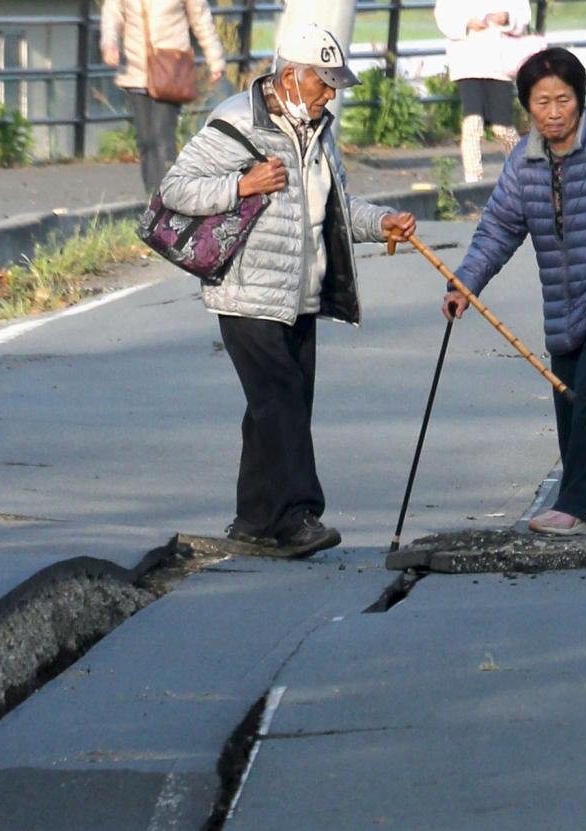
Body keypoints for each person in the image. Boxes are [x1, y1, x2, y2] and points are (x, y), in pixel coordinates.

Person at [159, 23, 417, 558]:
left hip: (300, 292)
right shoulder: (235, 122)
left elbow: (337, 209)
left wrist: (383, 221)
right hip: (247, 291)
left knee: (277, 405)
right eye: (323, 84)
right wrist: (240, 184)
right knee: (280, 402)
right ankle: (299, 516)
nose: (330, 95)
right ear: (291, 76)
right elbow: (175, 189)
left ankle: (254, 520)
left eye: (334, 85)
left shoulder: (318, 133)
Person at [442, 48, 586, 536]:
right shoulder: (523, 164)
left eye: (563, 100)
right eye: (541, 102)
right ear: (527, 106)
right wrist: (465, 284)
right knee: (572, 400)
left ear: (580, 99)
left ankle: (580, 510)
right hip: (563, 304)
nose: (553, 113)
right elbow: (498, 230)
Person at [100, 0, 226, 194]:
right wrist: (109, 43)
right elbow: (112, 13)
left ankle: (168, 197)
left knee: (162, 137)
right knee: (145, 139)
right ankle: (152, 197)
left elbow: (200, 17)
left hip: (170, 69)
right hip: (135, 69)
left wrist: (215, 58)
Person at [434, 0, 531, 183]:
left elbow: (522, 12)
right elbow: (444, 14)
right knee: (472, 123)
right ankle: (473, 180)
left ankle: (522, 168)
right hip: (466, 60)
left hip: (500, 62)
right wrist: (467, 22)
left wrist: (506, 17)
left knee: (502, 128)